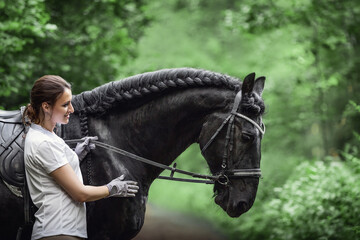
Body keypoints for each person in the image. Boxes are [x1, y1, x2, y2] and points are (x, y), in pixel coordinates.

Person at [22, 75, 139, 240]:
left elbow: (54, 175)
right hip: (59, 232)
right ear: (46, 107)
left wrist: (75, 155)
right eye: (65, 104)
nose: (72, 109)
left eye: (70, 103)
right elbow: (80, 194)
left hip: (62, 231)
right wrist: (113, 188)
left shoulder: (46, 136)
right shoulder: (45, 143)